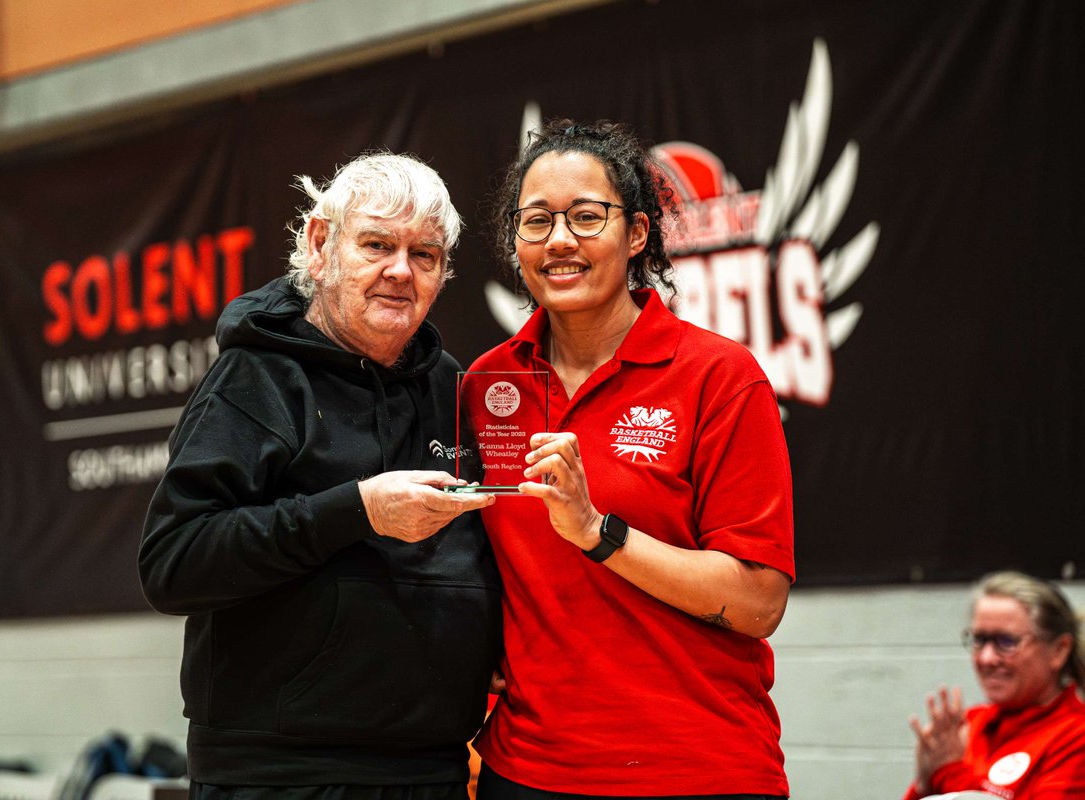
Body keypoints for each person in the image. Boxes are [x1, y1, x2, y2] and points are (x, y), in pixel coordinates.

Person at [138, 152, 502, 800]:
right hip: (283, 778)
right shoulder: (254, 380)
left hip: (435, 771)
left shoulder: (455, 386)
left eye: (424, 254)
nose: (400, 271)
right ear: (320, 244)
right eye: (377, 244)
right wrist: (353, 511)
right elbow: (172, 561)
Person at [467, 119, 795, 797]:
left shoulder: (720, 376)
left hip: (696, 769)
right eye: (536, 221)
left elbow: (760, 604)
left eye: (587, 217)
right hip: (525, 771)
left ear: (638, 234)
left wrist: (598, 532)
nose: (560, 240)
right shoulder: (486, 386)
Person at [905, 571, 1085, 800]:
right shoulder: (971, 724)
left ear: (1059, 650)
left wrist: (948, 772)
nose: (987, 658)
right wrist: (924, 784)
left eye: (1007, 641)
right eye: (979, 640)